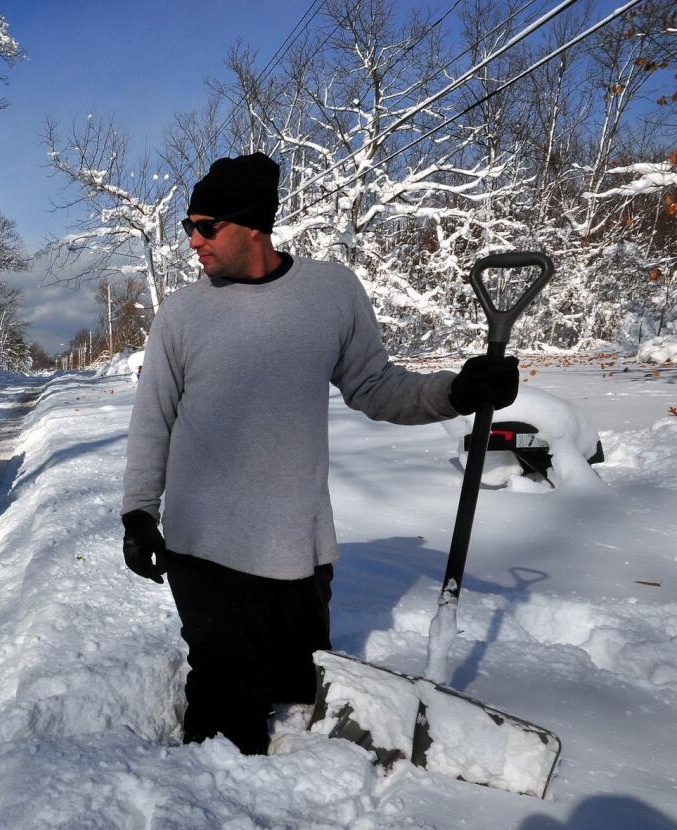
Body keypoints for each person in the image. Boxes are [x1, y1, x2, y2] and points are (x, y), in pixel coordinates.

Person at [120, 152, 518, 755]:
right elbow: (153, 418)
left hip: (294, 549)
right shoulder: (183, 313)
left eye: (206, 227)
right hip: (203, 546)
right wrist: (139, 512)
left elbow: (375, 386)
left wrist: (458, 391)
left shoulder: (330, 292)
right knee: (228, 718)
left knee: (298, 690)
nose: (192, 241)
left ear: (252, 225)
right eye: (188, 227)